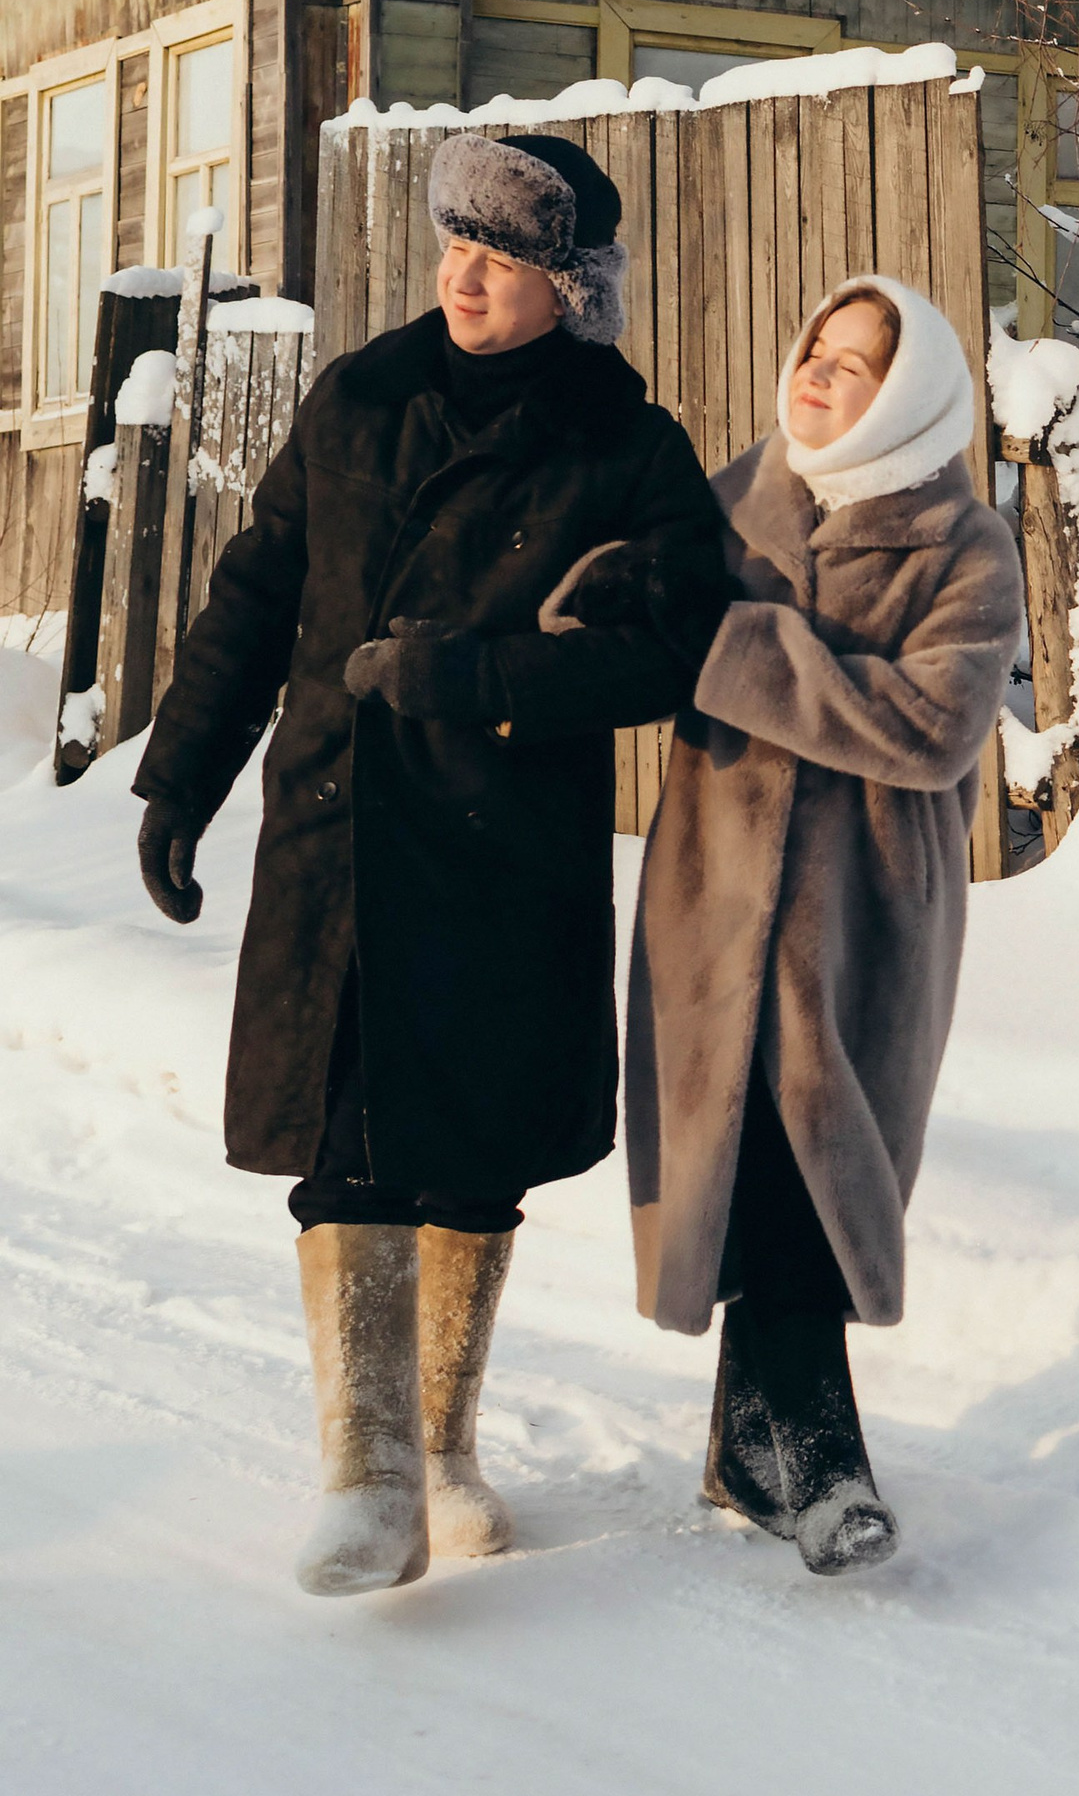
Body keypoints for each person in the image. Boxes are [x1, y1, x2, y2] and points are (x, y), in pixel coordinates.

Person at [132, 128, 728, 1597]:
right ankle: (370, 1472)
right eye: (454, 244)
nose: (463, 275)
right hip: (337, 836)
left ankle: (446, 1446)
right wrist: (180, 776)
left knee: (470, 1159)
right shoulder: (359, 399)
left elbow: (682, 643)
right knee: (343, 1144)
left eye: (503, 256)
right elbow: (256, 590)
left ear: (570, 286)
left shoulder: (624, 445)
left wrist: (484, 677)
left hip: (497, 852)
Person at [626, 274, 1022, 1575]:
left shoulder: (964, 545)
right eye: (817, 348)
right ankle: (758, 1450)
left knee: (819, 1154)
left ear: (905, 396)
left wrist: (740, 651)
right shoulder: (738, 497)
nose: (822, 374)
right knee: (739, 1159)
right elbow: (637, 615)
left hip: (859, 916)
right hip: (710, 897)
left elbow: (932, 724)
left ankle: (822, 1449)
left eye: (858, 364)